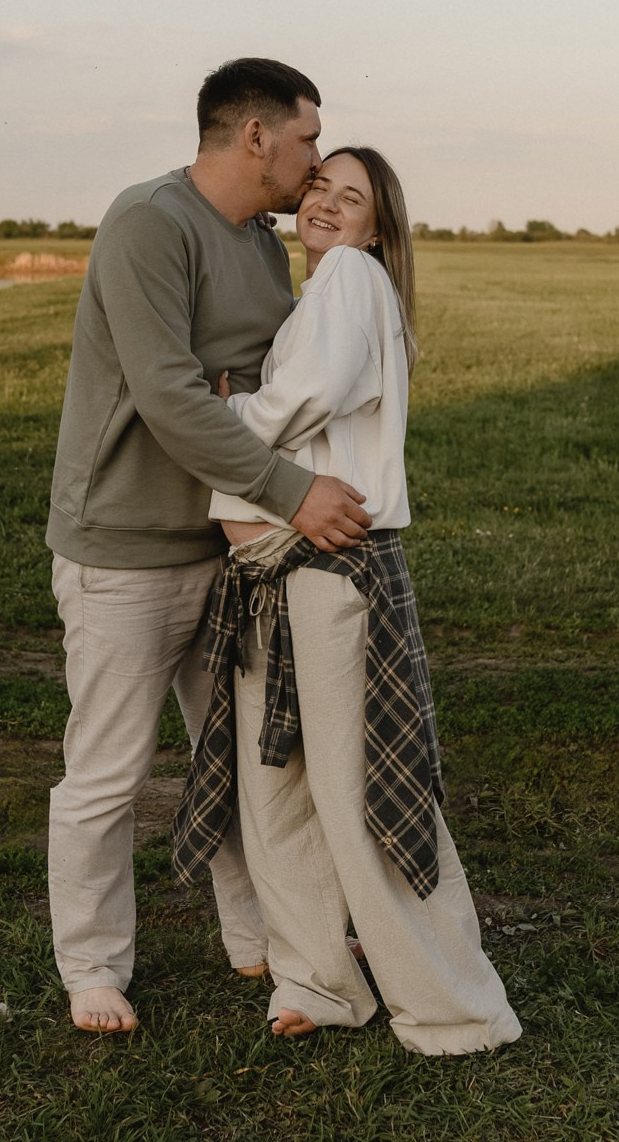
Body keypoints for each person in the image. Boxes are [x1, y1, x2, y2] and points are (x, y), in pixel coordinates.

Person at [46, 58, 373, 1035]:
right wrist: (296, 492)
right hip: (126, 547)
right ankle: (93, 964)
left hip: (228, 550)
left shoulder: (262, 246)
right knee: (106, 772)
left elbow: (261, 385)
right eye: (310, 138)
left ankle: (261, 938)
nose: (317, 161)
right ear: (256, 135)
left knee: (240, 759)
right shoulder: (150, 222)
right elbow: (172, 395)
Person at [173, 147, 522, 1056]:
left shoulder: (350, 281)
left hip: (328, 578)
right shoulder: (322, 292)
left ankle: (454, 1007)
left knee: (360, 792)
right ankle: (317, 981)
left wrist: (227, 420)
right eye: (319, 187)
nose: (326, 205)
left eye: (350, 198)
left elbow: (312, 392)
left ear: (376, 225)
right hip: (274, 579)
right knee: (276, 791)